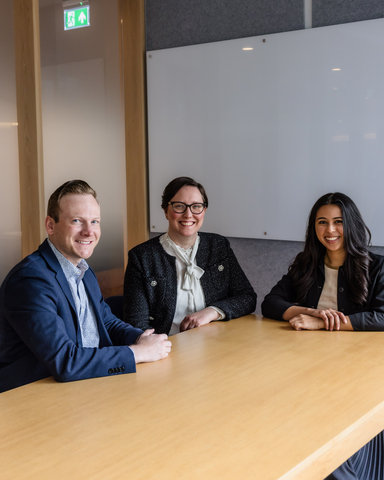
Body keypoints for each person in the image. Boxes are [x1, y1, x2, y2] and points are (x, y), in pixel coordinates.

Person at [0, 180, 171, 393]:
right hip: (34, 395)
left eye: (95, 222)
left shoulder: (83, 269)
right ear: (50, 225)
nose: (89, 231)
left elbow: (105, 322)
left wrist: (140, 338)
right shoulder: (30, 280)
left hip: (87, 383)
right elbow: (65, 361)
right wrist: (138, 353)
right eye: (77, 221)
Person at [261, 192, 384, 480]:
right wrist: (311, 312)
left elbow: (382, 317)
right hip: (308, 369)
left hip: (358, 373)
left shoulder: (377, 267)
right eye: (322, 222)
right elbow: (270, 303)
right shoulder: (306, 263)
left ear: (351, 225)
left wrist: (326, 324)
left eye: (338, 222)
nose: (330, 230)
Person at [124, 176, 256, 335]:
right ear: (166, 211)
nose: (188, 214)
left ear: (204, 211)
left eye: (196, 206)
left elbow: (247, 298)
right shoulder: (142, 257)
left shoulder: (218, 246)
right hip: (166, 348)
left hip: (216, 343)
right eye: (179, 206)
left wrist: (212, 311)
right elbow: (135, 323)